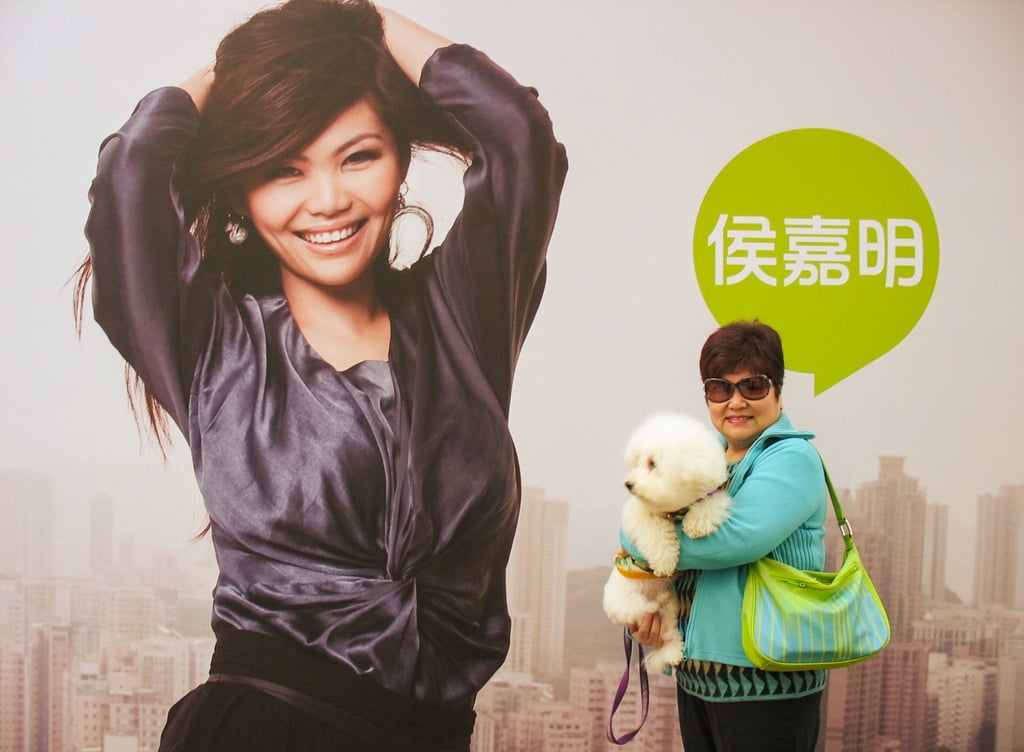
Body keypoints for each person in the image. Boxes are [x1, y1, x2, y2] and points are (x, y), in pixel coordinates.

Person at [76, 0, 567, 748]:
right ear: (242, 191)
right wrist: (250, 58)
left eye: (358, 156)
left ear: (401, 161)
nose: (329, 200)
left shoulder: (467, 318)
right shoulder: (214, 348)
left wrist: (354, 17)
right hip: (262, 729)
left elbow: (519, 135)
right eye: (282, 169)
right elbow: (134, 174)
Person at [625, 320, 828, 751]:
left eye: (752, 386)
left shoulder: (792, 457)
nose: (736, 401)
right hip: (699, 679)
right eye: (720, 388)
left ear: (778, 390)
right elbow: (645, 513)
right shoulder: (705, 458)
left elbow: (730, 541)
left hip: (769, 683)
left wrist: (638, 534)